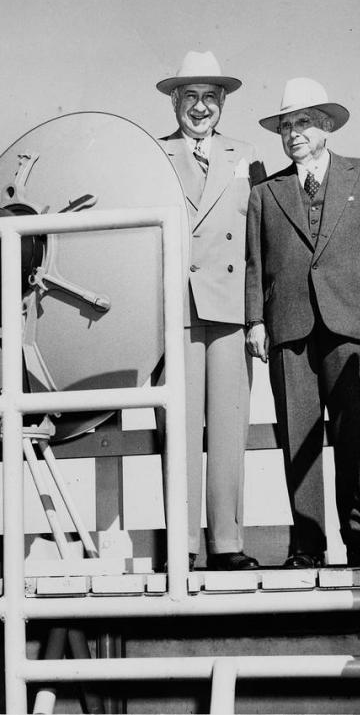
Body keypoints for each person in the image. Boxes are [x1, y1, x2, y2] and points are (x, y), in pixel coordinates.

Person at [244, 77, 360, 568]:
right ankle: (308, 545)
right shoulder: (265, 193)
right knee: (299, 435)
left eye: (305, 123)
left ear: (328, 127)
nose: (294, 133)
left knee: (356, 429)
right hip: (288, 328)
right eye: (286, 125)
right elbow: (255, 265)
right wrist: (255, 320)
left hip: (352, 325)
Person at [156, 51, 264, 570]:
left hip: (229, 310)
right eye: (191, 97)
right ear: (175, 101)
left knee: (228, 427)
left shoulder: (249, 157)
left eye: (211, 98)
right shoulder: (150, 155)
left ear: (223, 105)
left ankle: (226, 545)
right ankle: (182, 546)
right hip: (173, 311)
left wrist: (260, 313)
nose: (200, 109)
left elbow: (264, 242)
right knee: (177, 428)